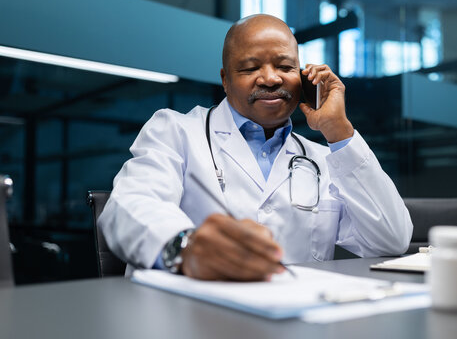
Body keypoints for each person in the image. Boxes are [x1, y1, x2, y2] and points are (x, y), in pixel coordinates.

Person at [99, 14, 412, 281]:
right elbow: (128, 206)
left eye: (286, 67)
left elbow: (391, 240)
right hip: (191, 315)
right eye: (249, 68)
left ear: (303, 78)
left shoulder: (321, 158)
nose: (270, 78)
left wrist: (339, 132)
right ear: (225, 80)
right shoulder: (175, 131)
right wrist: (184, 247)